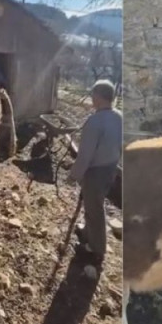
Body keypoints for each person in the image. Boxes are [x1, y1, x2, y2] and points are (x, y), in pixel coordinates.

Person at [70, 80, 123, 265]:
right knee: (93, 203)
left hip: (95, 171)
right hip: (110, 168)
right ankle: (87, 232)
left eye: (93, 95)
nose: (92, 99)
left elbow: (85, 155)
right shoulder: (119, 117)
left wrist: (74, 175)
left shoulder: (94, 122)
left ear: (99, 98)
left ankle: (96, 249)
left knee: (95, 209)